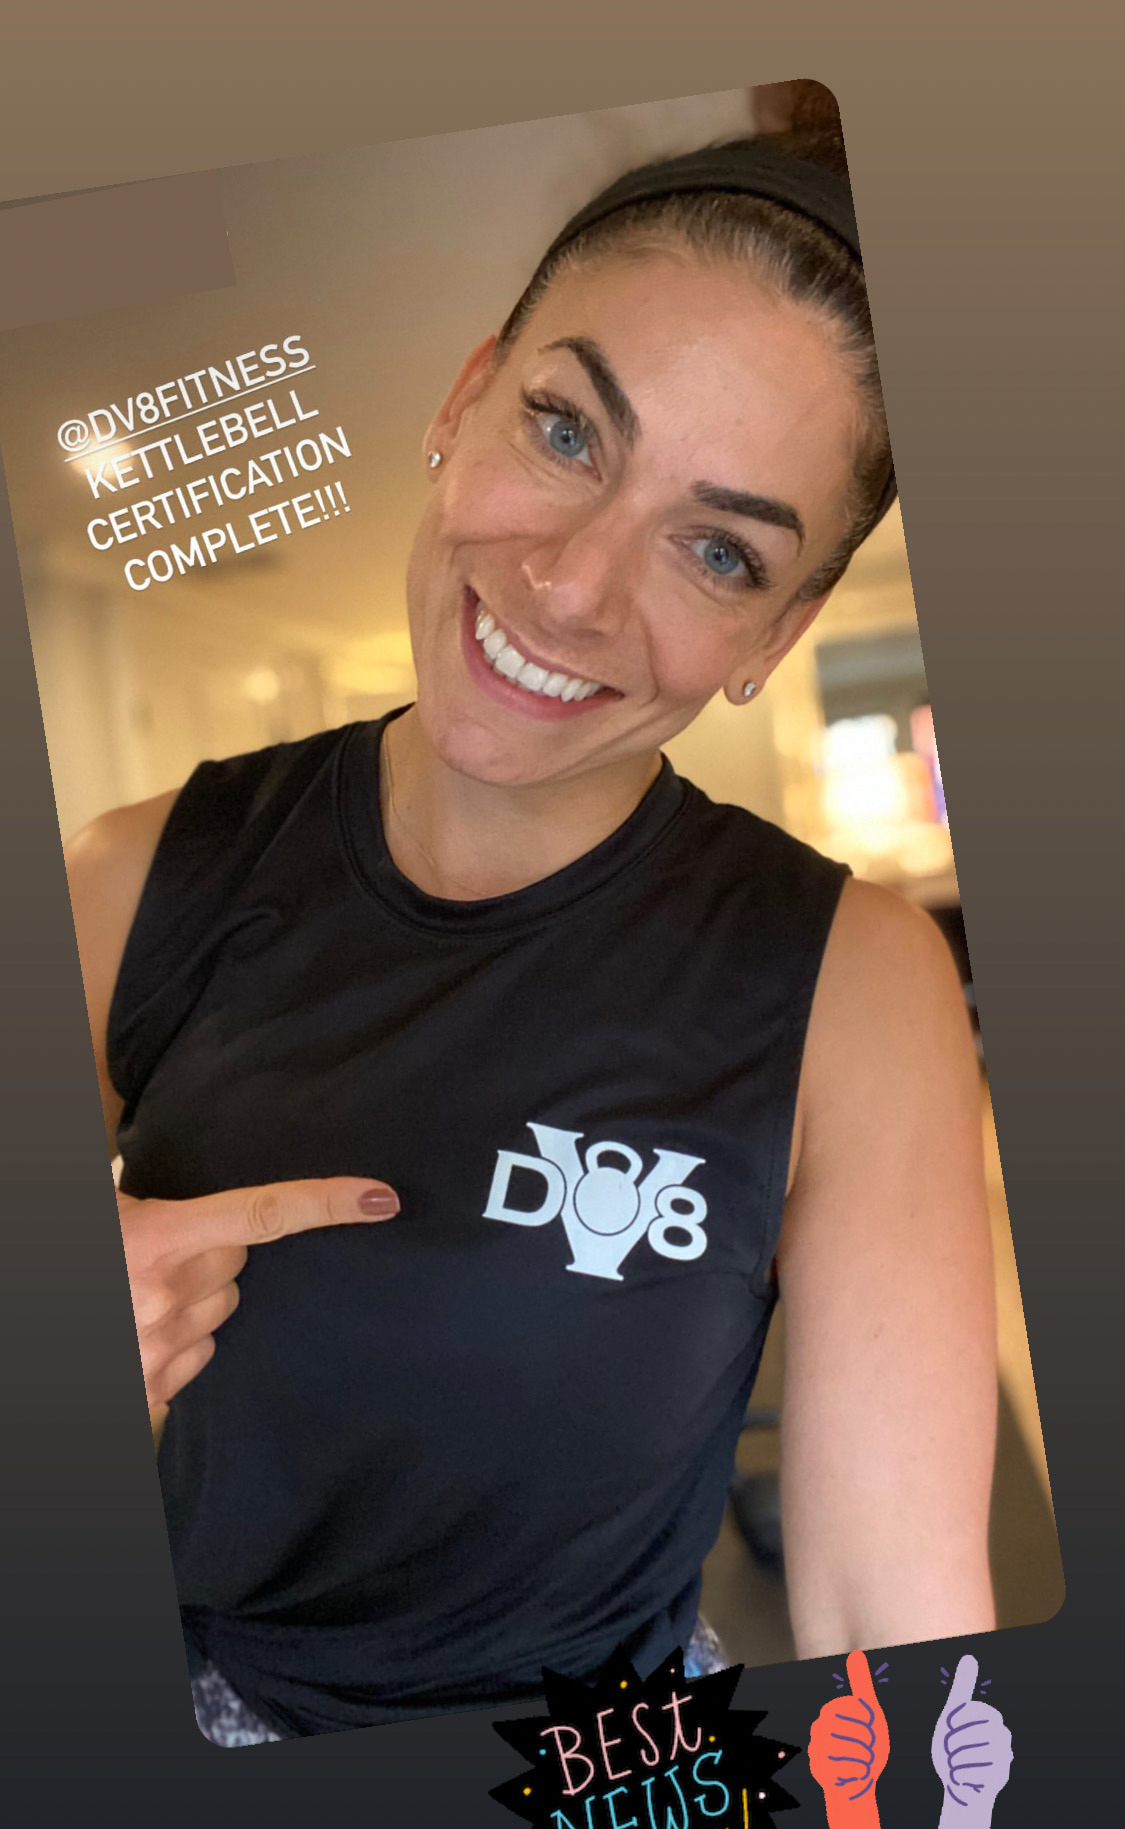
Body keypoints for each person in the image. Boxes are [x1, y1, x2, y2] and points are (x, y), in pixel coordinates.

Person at [64, 106, 997, 1744]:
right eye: (566, 431)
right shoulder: (134, 876)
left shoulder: (854, 983)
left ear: (776, 637)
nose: (570, 587)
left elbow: (892, 1620)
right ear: (462, 401)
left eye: (718, 551)